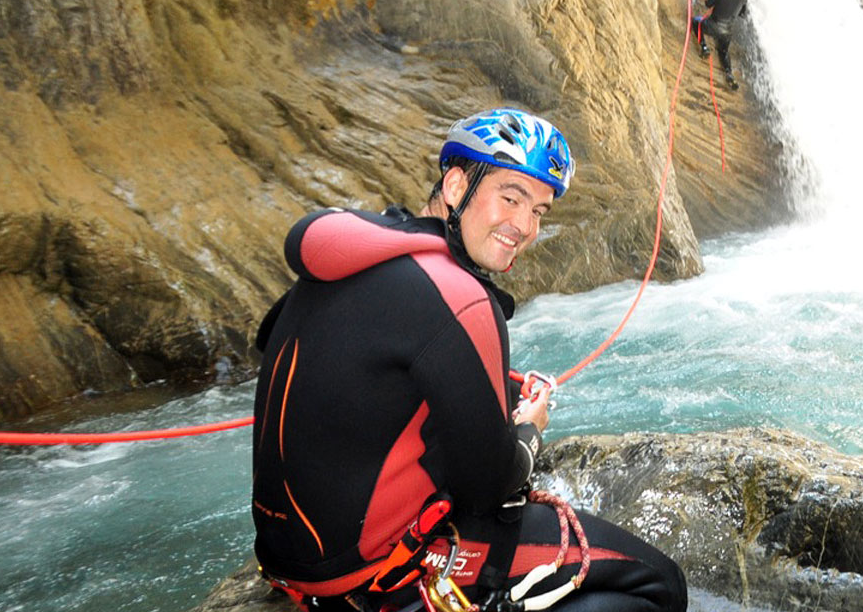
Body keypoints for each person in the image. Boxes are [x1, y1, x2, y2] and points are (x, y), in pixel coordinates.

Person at [251, 108, 686, 612]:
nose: (524, 226)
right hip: (375, 572)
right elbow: (492, 485)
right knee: (660, 584)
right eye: (510, 197)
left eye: (539, 211)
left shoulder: (352, 254)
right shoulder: (459, 298)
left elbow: (314, 358)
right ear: (456, 186)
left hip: (291, 561)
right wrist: (530, 428)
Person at [689, 0, 747, 91]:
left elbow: (708, 4)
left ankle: (704, 47)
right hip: (727, 32)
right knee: (724, 51)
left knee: (696, 22)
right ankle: (729, 73)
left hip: (713, 26)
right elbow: (743, 14)